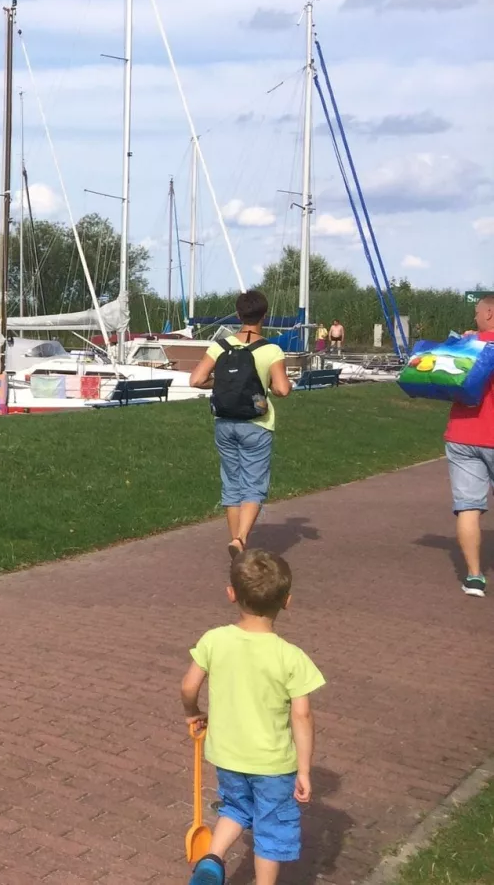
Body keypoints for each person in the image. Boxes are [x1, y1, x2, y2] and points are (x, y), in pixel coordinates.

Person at [182, 550, 325, 885]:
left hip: (228, 756)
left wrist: (192, 713)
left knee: (236, 808)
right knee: (272, 828)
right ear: (287, 601)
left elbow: (188, 686)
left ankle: (211, 861)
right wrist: (303, 769)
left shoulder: (214, 640)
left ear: (231, 593)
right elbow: (301, 715)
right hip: (273, 764)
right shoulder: (291, 657)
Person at [190, 290, 295, 558]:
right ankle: (240, 539)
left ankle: (237, 546)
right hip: (257, 424)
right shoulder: (271, 350)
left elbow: (196, 380)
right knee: (254, 485)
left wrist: (223, 383)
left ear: (238, 314)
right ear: (264, 315)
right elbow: (282, 390)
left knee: (232, 483)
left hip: (224, 422)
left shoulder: (220, 346)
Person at [447, 295, 494, 596]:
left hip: (462, 434)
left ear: (489, 313)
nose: (474, 317)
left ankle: (474, 576)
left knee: (468, 507)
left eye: (477, 312)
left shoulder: (466, 347)